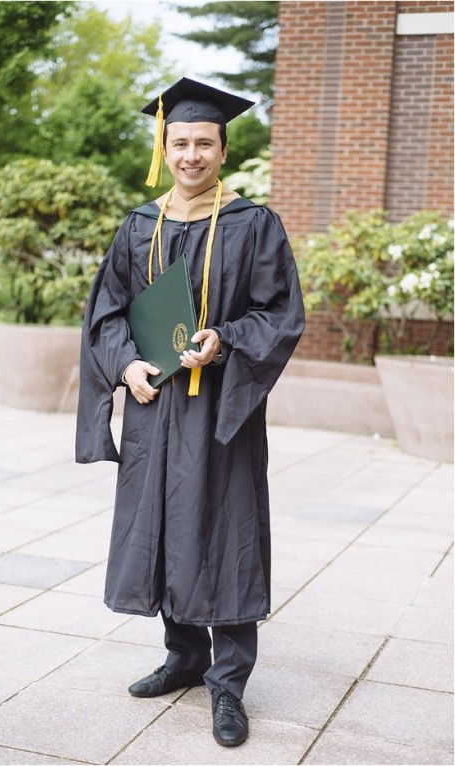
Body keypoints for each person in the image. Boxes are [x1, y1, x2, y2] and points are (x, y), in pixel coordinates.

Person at [75, 78, 305, 747]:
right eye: (181, 142)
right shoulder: (138, 226)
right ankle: (183, 656)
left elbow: (279, 314)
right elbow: (107, 313)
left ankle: (229, 681)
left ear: (224, 150)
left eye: (205, 142)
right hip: (155, 407)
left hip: (220, 410)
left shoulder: (252, 225)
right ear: (164, 146)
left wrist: (224, 340)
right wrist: (125, 365)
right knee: (162, 529)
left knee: (223, 531)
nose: (192, 154)